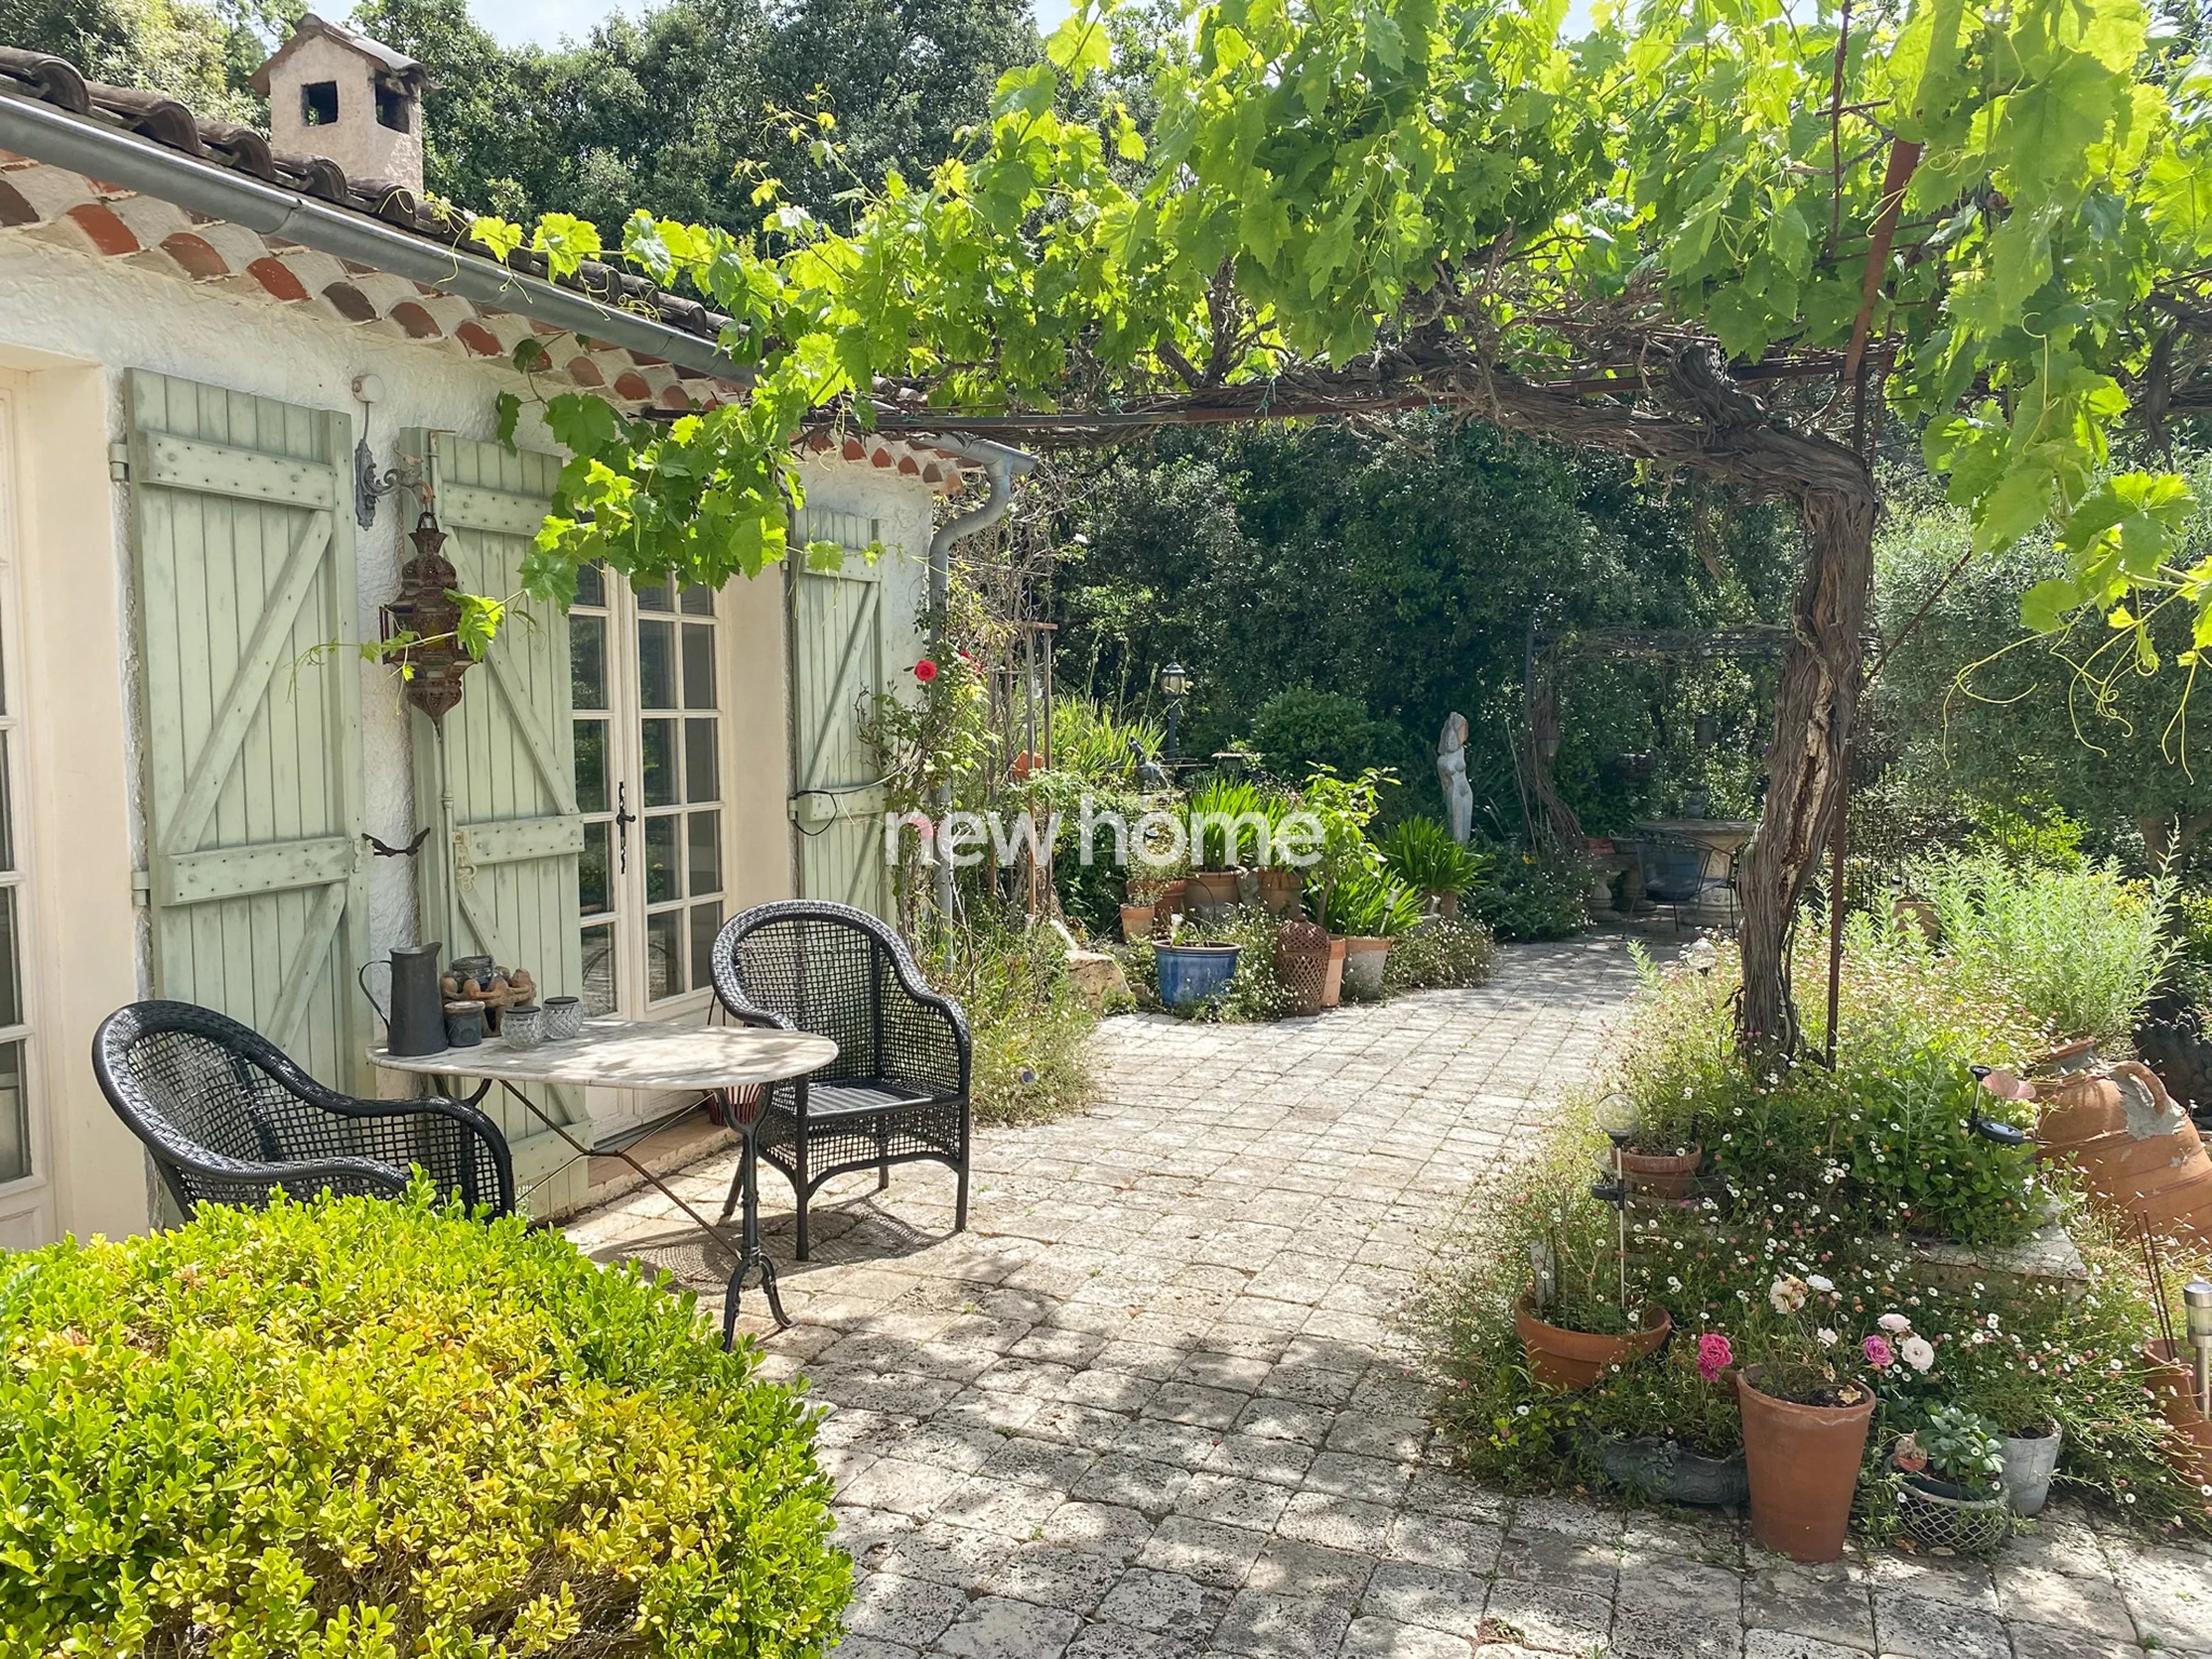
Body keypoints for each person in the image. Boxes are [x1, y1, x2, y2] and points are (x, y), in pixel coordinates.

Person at [1437, 712, 1474, 844]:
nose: (1450, 743)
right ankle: (1457, 854)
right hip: (1454, 791)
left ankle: (1468, 853)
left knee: (1466, 825)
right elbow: (1444, 780)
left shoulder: (1461, 752)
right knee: (1456, 829)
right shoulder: (1443, 760)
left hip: (1466, 789)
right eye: (1448, 740)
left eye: (1453, 740)